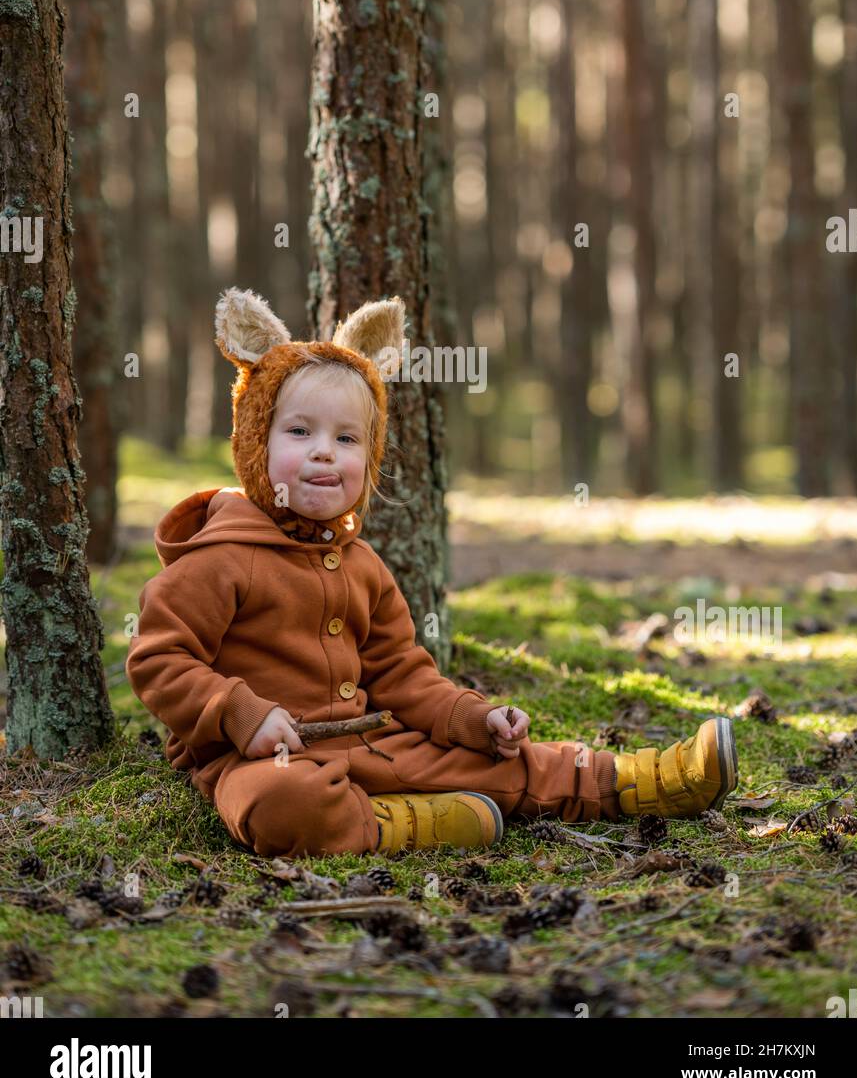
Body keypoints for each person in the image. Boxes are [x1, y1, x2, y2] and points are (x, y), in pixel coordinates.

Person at [126, 287, 739, 858]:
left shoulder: (360, 565)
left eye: (346, 439)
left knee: (508, 761)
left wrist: (471, 717)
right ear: (255, 443)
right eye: (299, 431)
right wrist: (240, 712)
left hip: (375, 743)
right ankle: (404, 824)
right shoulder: (219, 555)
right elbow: (159, 658)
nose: (323, 451)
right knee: (278, 807)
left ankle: (644, 781)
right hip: (264, 758)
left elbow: (400, 673)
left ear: (369, 458)